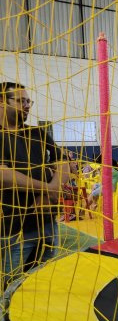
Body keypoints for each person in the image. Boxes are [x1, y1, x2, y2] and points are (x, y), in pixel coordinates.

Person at [0, 83, 70, 281]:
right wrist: (49, 189)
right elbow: (4, 176)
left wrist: (52, 191)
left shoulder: (38, 133)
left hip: (47, 223)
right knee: (11, 284)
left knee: (43, 281)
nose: (26, 106)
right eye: (20, 101)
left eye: (28, 101)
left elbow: (64, 161)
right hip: (13, 229)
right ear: (2, 101)